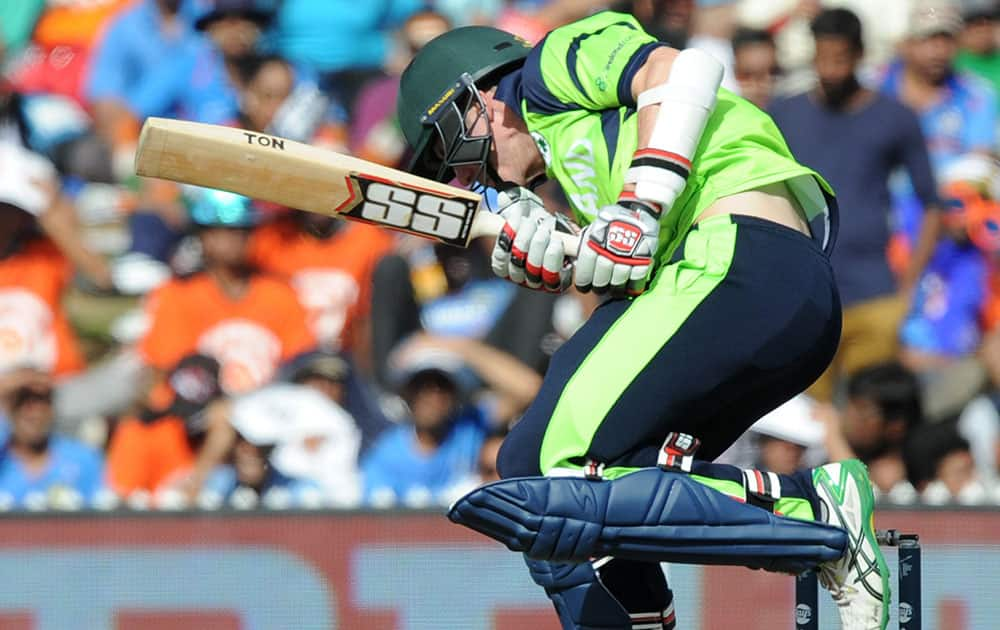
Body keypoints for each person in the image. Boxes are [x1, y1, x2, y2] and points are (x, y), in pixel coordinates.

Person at [397, 11, 889, 629]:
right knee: (535, 466)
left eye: (454, 150)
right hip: (747, 297)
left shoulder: (544, 70)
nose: (468, 177)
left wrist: (638, 205)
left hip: (746, 262)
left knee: (558, 460)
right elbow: (634, 278)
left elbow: (684, 70)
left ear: (479, 96)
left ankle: (813, 511)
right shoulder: (581, 168)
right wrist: (570, 254)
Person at [768, 8, 943, 402]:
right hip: (805, 295)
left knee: (875, 415)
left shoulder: (894, 117)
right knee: (806, 420)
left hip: (875, 295)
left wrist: (909, 283)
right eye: (822, 58)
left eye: (841, 59)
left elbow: (933, 203)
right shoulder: (783, 113)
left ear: (860, 55)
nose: (830, 71)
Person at [0, 368, 104, 510]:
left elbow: (103, 518)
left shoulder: (83, 458)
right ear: (7, 406)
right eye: (22, 400)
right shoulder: (3, 458)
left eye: (43, 400)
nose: (34, 412)